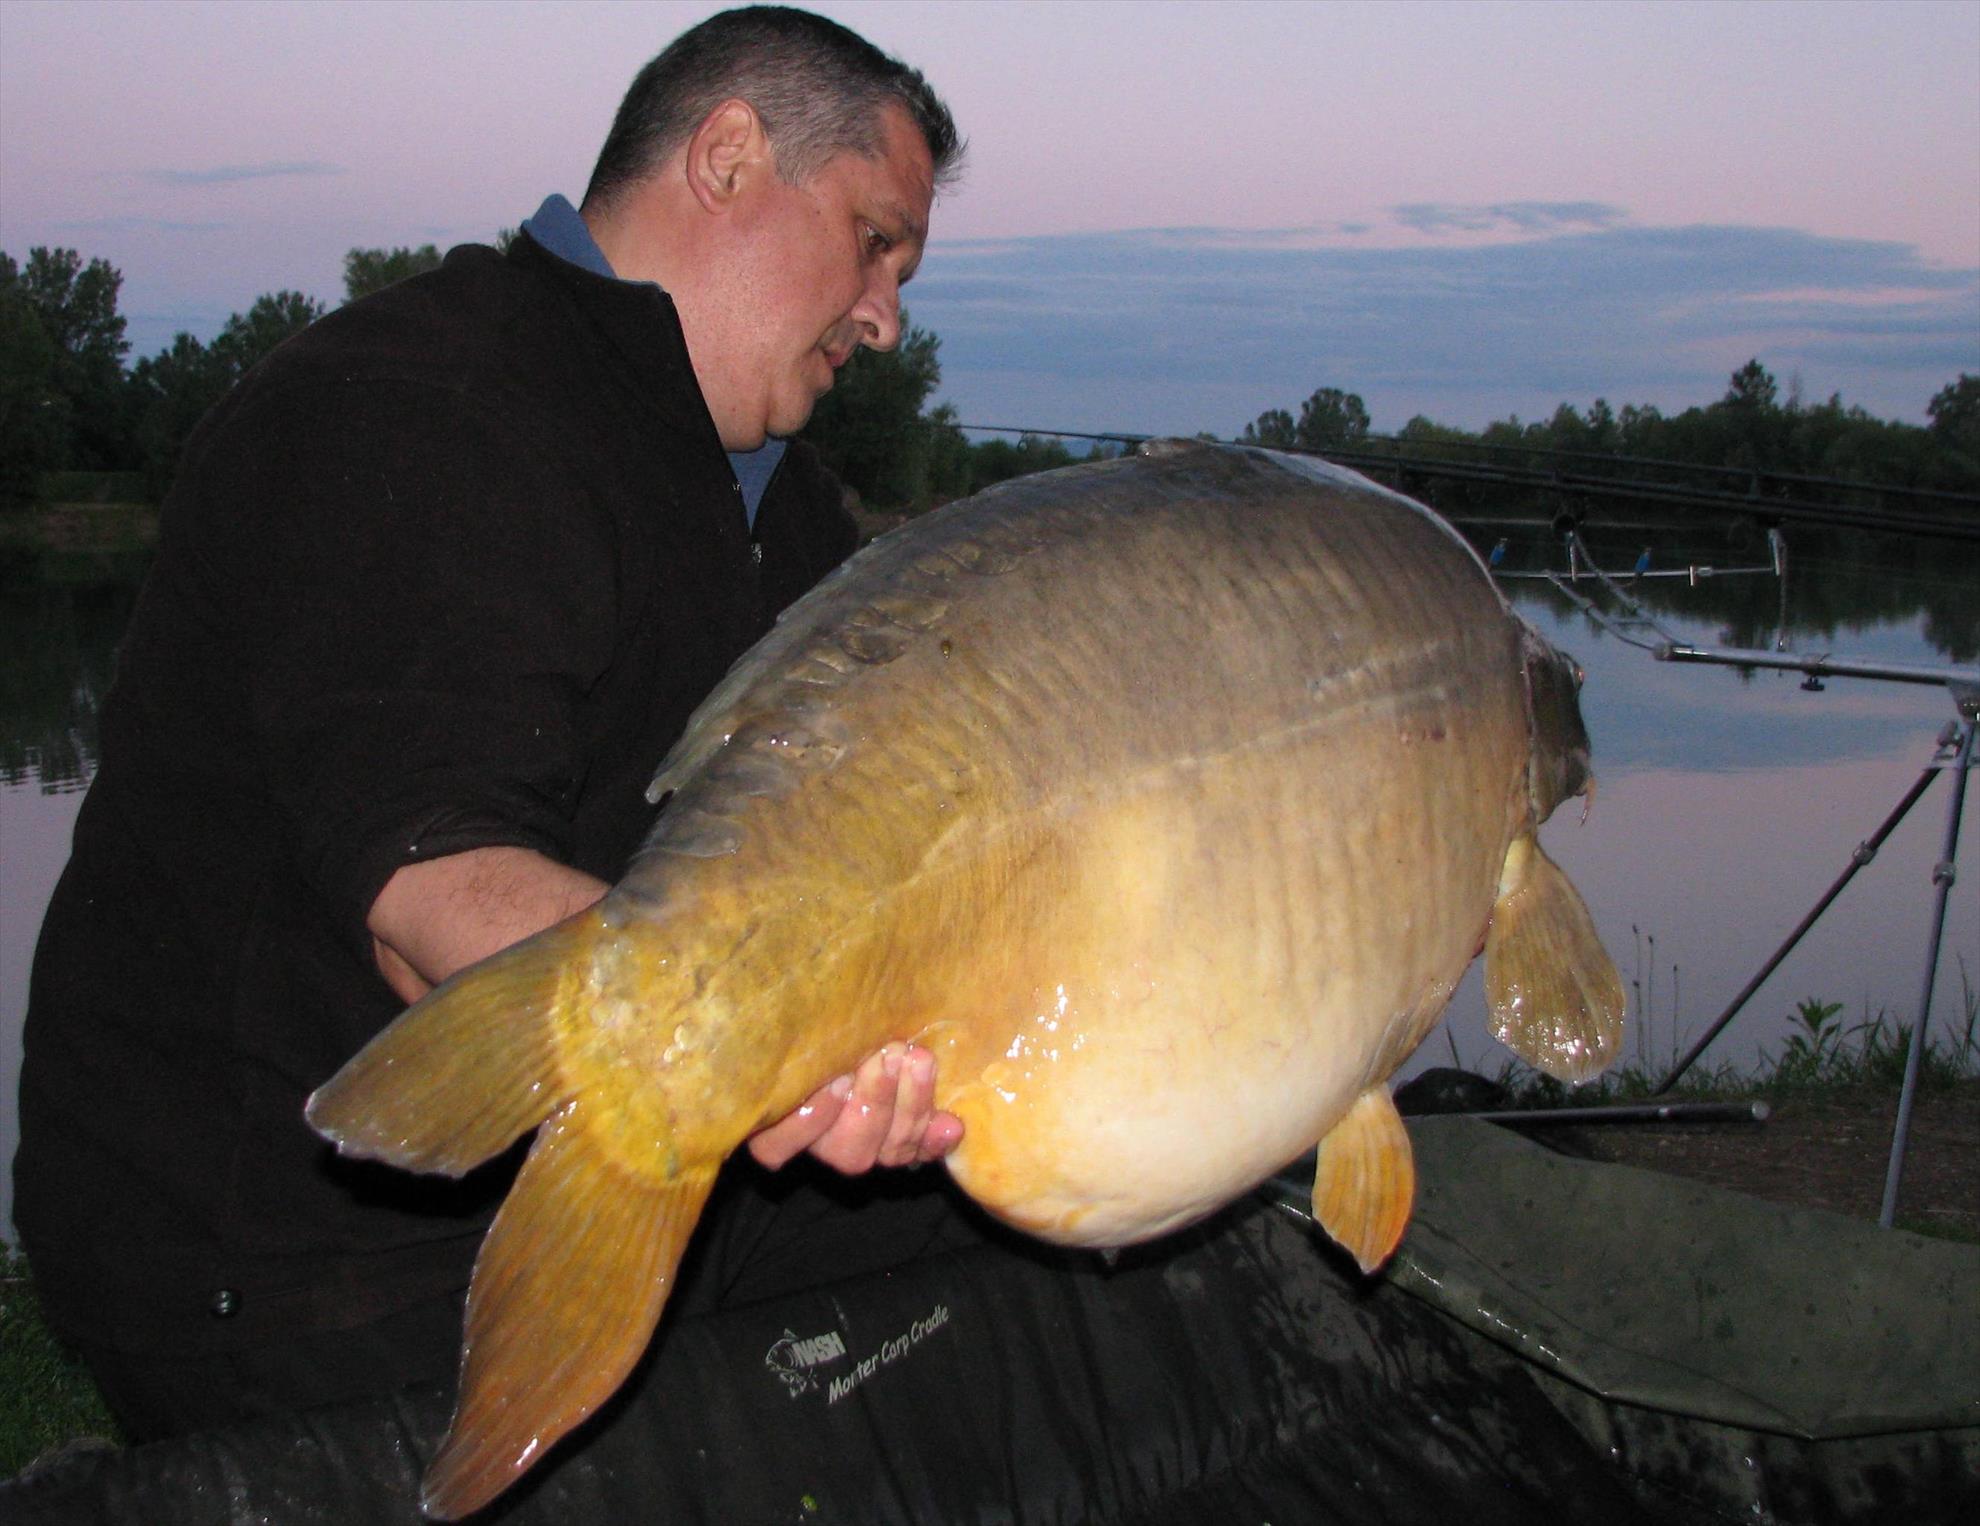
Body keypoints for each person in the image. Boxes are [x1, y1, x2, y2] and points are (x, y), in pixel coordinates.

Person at [14, 5, 967, 1442]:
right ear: (726, 156)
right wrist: (793, 1048)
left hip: (601, 1156)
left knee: (1037, 1241)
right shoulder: (423, 408)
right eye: (874, 239)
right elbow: (437, 906)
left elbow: (902, 825)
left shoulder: (788, 514)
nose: (888, 312)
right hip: (286, 1226)